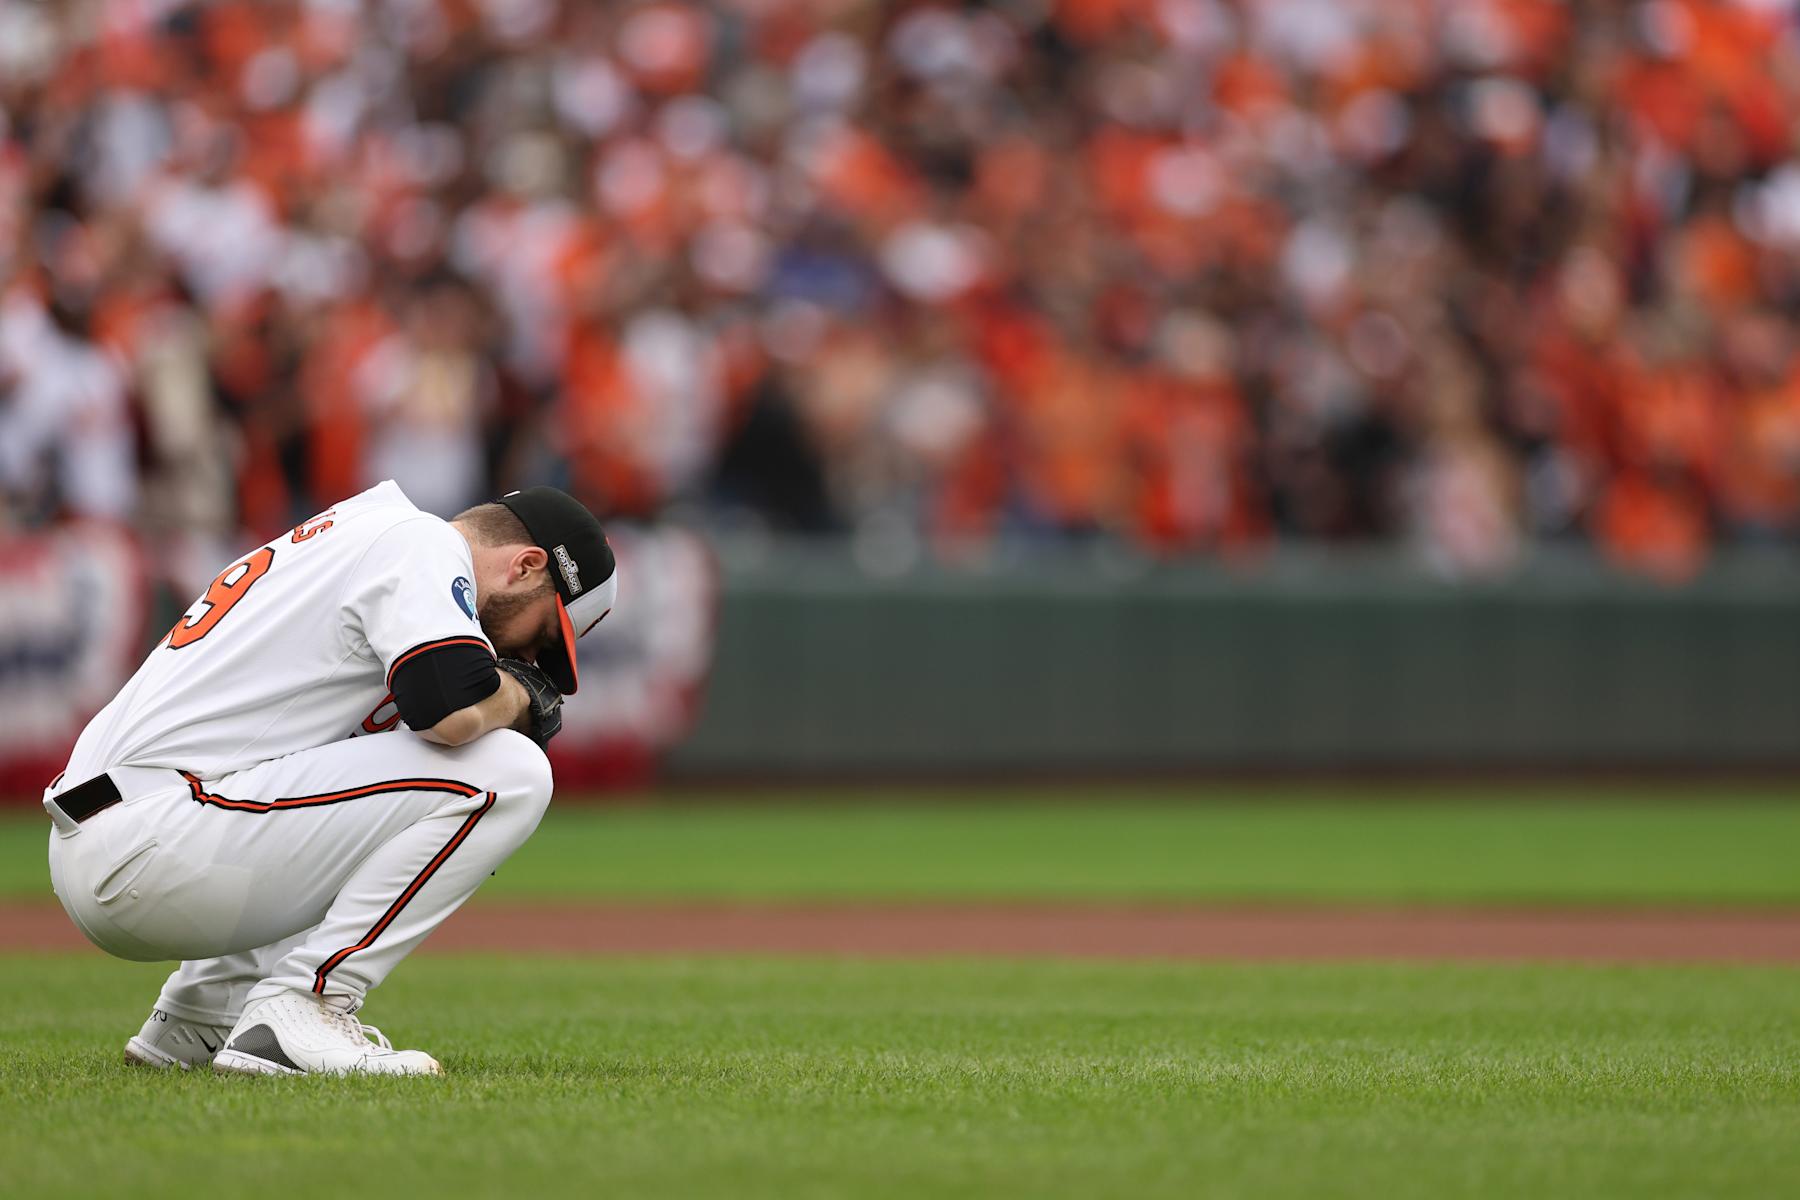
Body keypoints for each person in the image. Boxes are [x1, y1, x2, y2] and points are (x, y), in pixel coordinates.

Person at [42, 481, 616, 1075]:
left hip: (115, 832)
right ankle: (305, 1007)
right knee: (510, 770)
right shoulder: (421, 541)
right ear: (525, 567)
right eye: (545, 635)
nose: (526, 658)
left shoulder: (358, 532)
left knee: (366, 767)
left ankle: (200, 1018)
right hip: (155, 838)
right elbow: (453, 710)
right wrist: (520, 697)